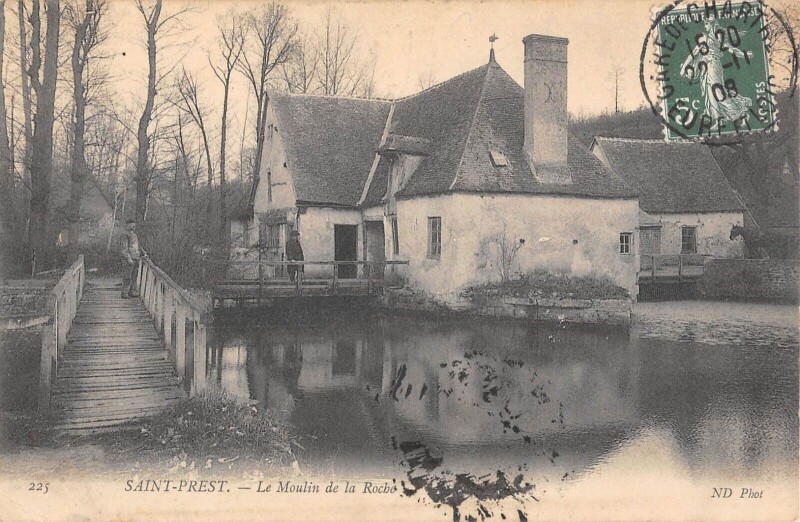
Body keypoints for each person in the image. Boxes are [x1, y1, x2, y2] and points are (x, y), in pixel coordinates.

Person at [120, 219, 145, 298]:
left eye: (134, 225)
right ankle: (124, 293)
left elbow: (138, 246)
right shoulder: (124, 235)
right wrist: (128, 258)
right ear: (127, 225)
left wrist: (143, 253)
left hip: (136, 257)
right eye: (131, 224)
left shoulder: (134, 235)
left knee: (134, 276)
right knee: (127, 276)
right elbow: (124, 248)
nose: (133, 226)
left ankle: (131, 291)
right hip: (129, 259)